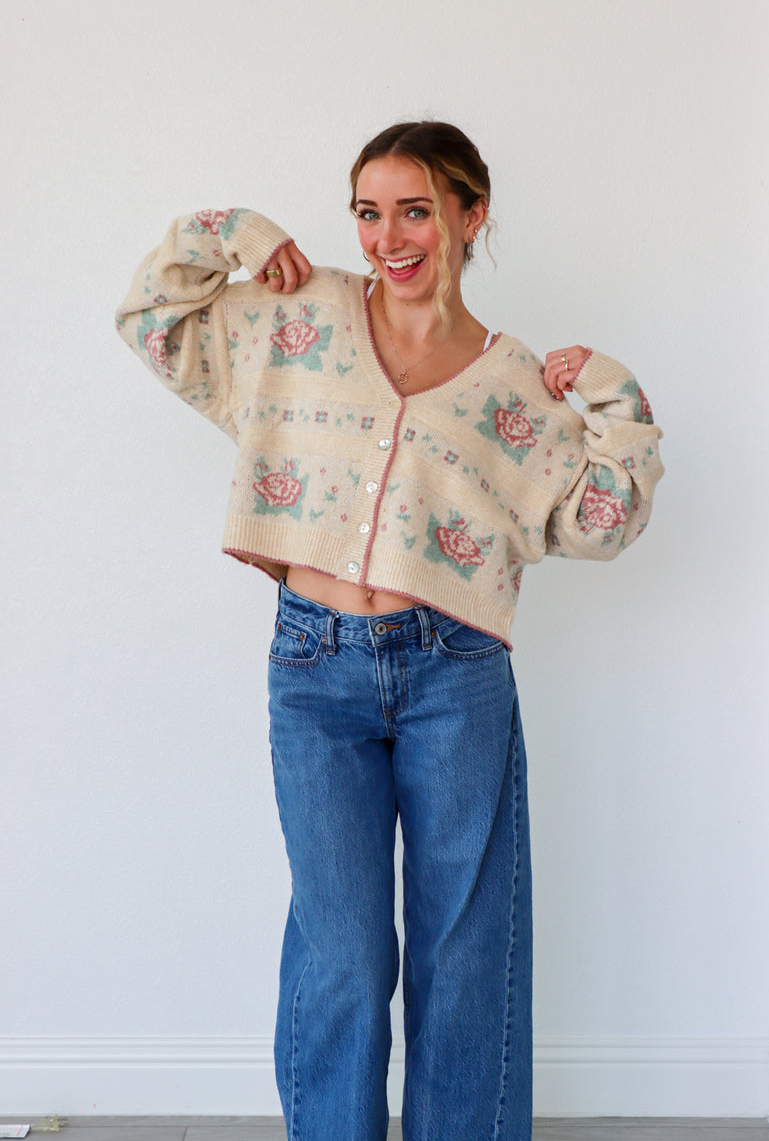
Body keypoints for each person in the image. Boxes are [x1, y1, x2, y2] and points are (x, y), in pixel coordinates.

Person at [115, 121, 664, 1141]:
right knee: (342, 949)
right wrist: (228, 230)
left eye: (414, 209)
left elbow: (601, 521)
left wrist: (608, 395)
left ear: (470, 214)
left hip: (454, 675)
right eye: (368, 212)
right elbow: (152, 318)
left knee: (464, 956)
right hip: (313, 665)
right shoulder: (294, 316)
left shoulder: (514, 386)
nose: (387, 237)